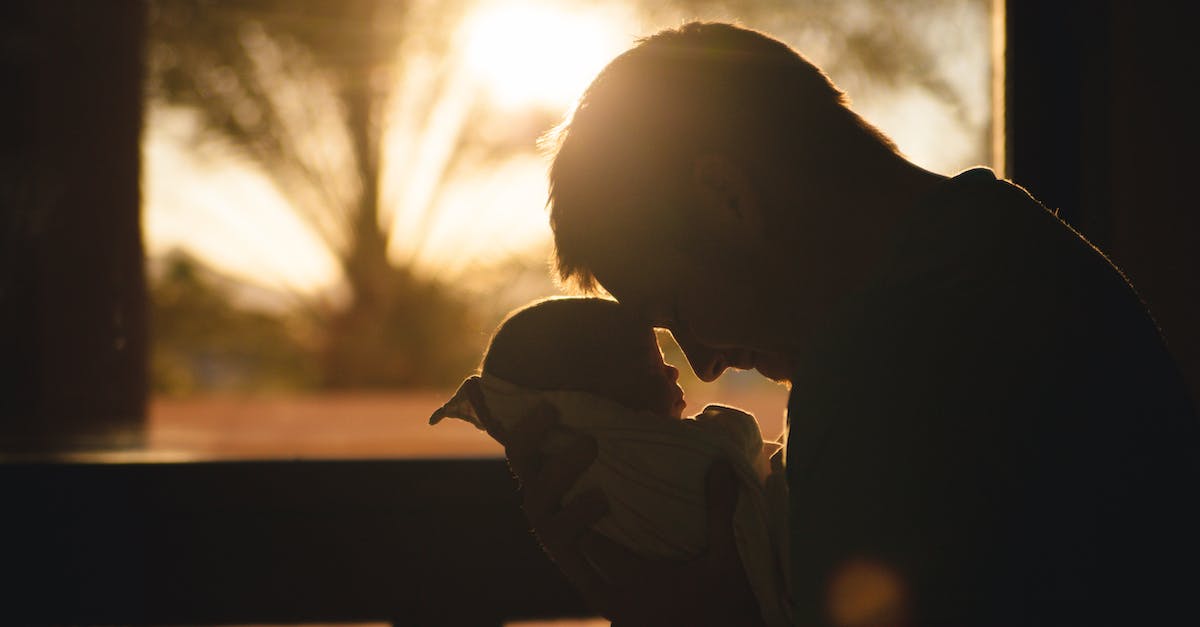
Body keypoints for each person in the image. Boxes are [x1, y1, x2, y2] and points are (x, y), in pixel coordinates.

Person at [501, 21, 1200, 626]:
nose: (704, 365)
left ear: (727, 198)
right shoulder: (1009, 246)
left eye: (675, 310)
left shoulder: (884, 367)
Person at [429, 297, 791, 625]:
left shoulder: (584, 497)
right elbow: (738, 447)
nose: (684, 369)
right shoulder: (654, 467)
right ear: (595, 411)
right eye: (651, 368)